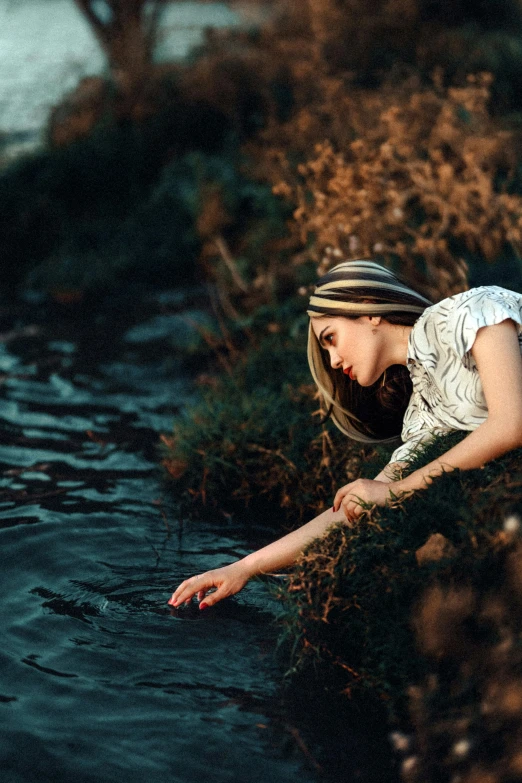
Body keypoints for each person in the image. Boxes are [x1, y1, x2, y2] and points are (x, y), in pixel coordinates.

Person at [168, 259, 522, 610]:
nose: (334, 361)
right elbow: (350, 509)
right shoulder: (422, 412)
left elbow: (511, 423)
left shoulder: (469, 310)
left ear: (369, 311)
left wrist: (397, 491)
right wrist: (243, 567)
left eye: (331, 339)